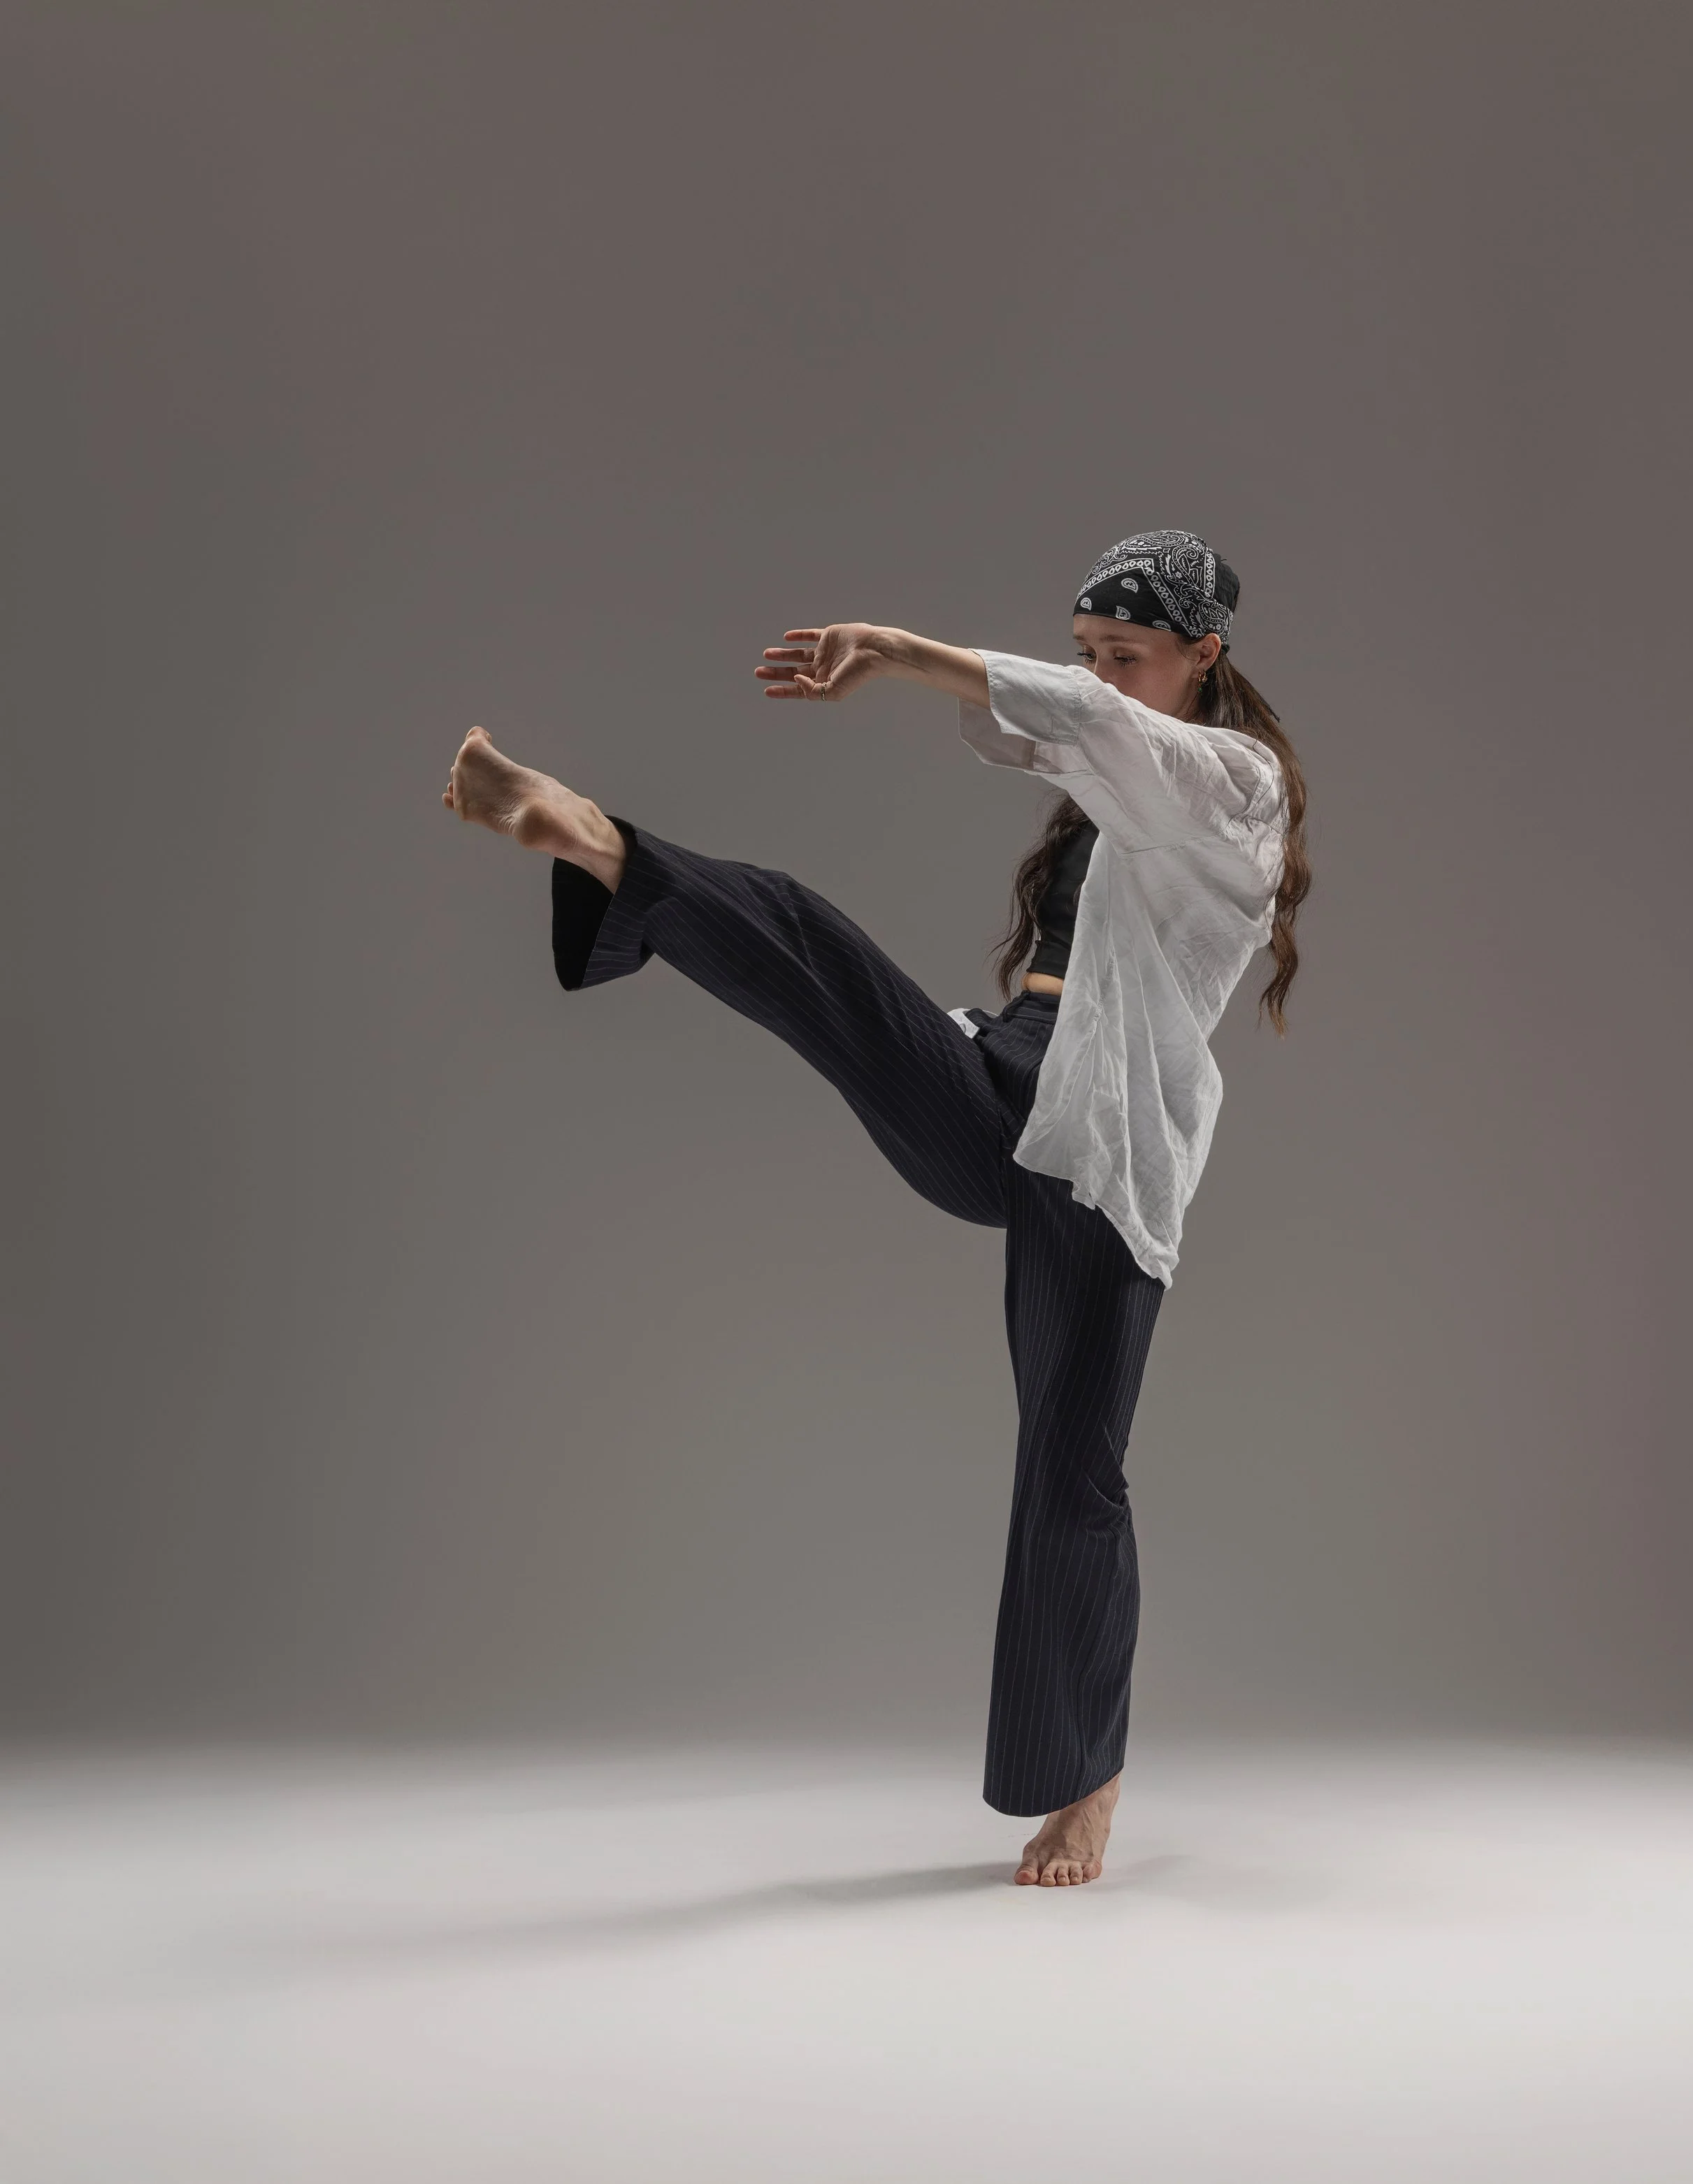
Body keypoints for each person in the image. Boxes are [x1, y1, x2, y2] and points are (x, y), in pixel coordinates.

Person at [442, 530, 1310, 1886]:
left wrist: (898, 649)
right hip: (1006, 1077)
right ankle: (605, 853)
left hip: (1103, 1145)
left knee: (1072, 1468)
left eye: (1128, 655)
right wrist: (981, 683)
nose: (1101, 678)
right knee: (808, 933)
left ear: (1205, 655)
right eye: (1087, 652)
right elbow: (1041, 730)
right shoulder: (1111, 776)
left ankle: (1085, 1778)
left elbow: (1082, 726)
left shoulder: (1240, 786)